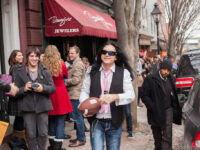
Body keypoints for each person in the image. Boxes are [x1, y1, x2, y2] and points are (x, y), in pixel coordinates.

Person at [80, 40, 135, 150]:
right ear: (100, 54)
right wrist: (84, 108)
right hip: (96, 121)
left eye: (111, 53)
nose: (107, 55)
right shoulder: (92, 71)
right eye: (104, 52)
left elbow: (131, 95)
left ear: (116, 57)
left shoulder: (124, 73)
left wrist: (115, 97)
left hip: (114, 121)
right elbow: (84, 91)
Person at [14, 47, 56, 150]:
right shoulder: (19, 71)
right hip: (27, 107)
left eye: (36, 56)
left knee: (43, 133)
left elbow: (52, 89)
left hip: (42, 106)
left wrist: (43, 88)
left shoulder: (45, 71)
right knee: (31, 134)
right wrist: (23, 89)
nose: (34, 58)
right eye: (31, 56)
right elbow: (14, 91)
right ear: (27, 57)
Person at [141, 60, 182, 150]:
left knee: (167, 136)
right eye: (164, 69)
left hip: (168, 110)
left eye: (168, 70)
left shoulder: (170, 78)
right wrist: (151, 106)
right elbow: (144, 95)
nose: (166, 72)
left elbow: (174, 93)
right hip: (156, 112)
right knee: (158, 137)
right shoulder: (151, 79)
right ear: (160, 68)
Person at [43, 45, 73, 150]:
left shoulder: (43, 65)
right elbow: (65, 76)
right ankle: (58, 146)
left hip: (49, 93)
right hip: (60, 93)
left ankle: (52, 145)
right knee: (60, 121)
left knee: (51, 120)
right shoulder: (62, 64)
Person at [66, 45, 86, 147]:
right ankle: (79, 137)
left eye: (72, 53)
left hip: (76, 94)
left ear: (78, 53)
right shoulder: (75, 63)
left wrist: (64, 82)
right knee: (77, 118)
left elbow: (75, 80)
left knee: (78, 118)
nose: (70, 55)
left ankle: (81, 139)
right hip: (74, 94)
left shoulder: (78, 64)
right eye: (69, 53)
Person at [7, 50, 25, 139]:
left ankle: (16, 141)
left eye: (22, 55)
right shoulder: (17, 68)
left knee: (19, 120)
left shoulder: (13, 67)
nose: (22, 57)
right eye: (19, 55)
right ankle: (18, 142)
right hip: (19, 98)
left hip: (16, 98)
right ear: (14, 58)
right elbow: (17, 84)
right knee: (20, 121)